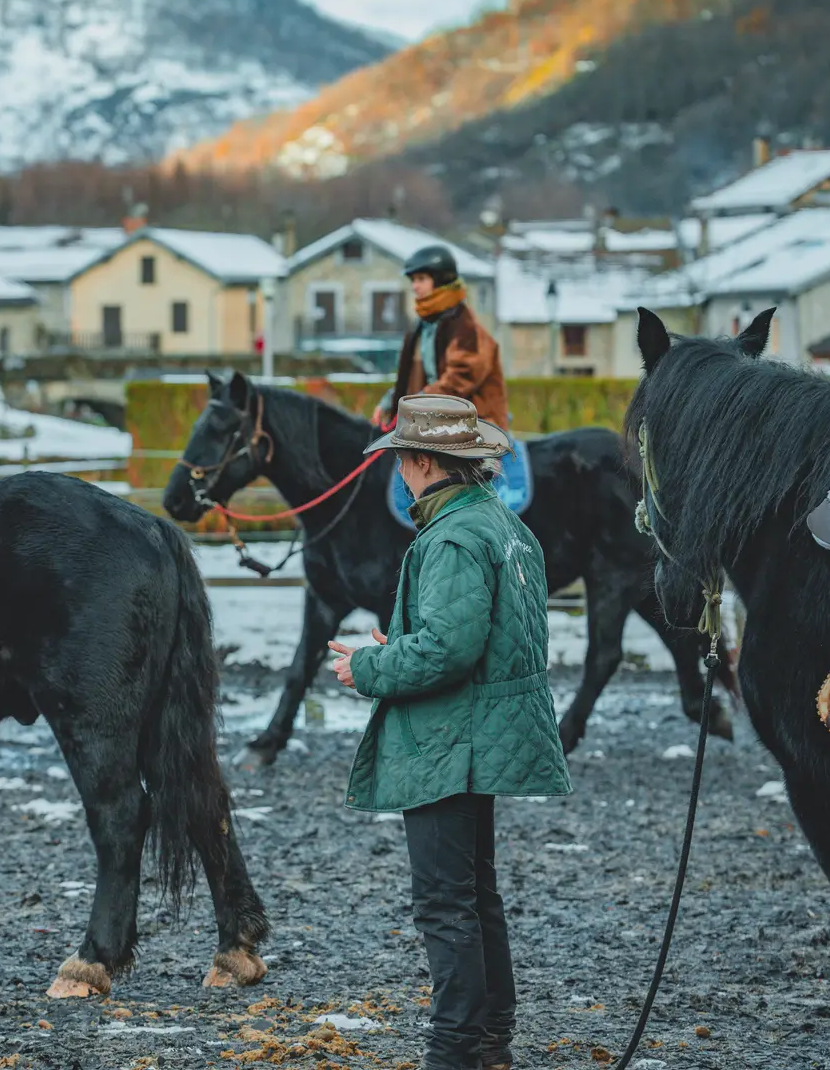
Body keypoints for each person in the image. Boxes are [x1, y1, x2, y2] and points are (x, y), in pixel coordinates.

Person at [327, 393, 572, 1070]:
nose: (399, 475)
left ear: (423, 460)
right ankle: (490, 1043)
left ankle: (455, 1052)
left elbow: (447, 651)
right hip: (480, 732)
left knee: (444, 904)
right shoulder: (501, 525)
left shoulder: (453, 538)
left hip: (448, 741)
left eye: (402, 461)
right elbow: (479, 636)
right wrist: (402, 641)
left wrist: (371, 664)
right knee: (474, 894)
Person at [370, 246, 509, 432]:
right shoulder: (421, 327)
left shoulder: (466, 326)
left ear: (441, 280)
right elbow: (411, 379)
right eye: (413, 280)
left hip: (474, 423)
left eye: (421, 279)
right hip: (433, 421)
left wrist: (418, 401)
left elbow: (461, 378)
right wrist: (389, 402)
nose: (414, 286)